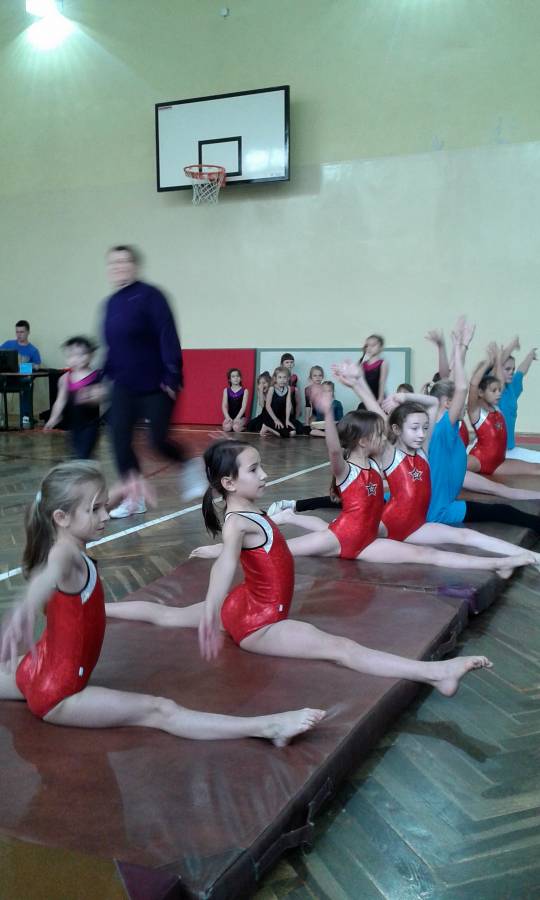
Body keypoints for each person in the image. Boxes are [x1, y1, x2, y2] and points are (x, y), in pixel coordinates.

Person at [107, 440, 494, 698]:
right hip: (260, 623)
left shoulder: (243, 513)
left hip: (241, 605)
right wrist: (210, 609)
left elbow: (235, 554)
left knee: (166, 615)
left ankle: (102, 607)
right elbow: (225, 565)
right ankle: (436, 674)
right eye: (254, 470)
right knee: (341, 649)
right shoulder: (237, 521)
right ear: (229, 482)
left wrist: (215, 598)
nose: (264, 475)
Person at [0, 461, 324, 747]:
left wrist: (123, 490)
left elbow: (77, 521)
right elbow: (47, 575)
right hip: (61, 693)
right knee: (160, 711)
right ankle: (268, 727)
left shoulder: (64, 533)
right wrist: (23, 609)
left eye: (104, 505)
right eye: (95, 509)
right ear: (61, 517)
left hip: (35, 668)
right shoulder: (64, 554)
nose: (106, 515)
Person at [202, 389, 532, 576]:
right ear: (362, 441)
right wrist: (327, 413)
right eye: (377, 435)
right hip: (340, 540)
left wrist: (383, 398)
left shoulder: (377, 463)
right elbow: (334, 449)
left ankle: (499, 563)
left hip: (370, 540)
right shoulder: (345, 470)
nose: (384, 438)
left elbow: (389, 427)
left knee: (425, 555)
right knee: (279, 549)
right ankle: (214, 549)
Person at [341, 367, 540, 564]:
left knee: (468, 534)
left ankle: (533, 558)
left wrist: (404, 397)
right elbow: (379, 416)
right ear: (397, 430)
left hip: (424, 518)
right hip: (400, 521)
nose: (421, 434)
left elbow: (433, 404)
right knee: (349, 530)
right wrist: (358, 385)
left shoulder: (424, 448)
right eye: (415, 428)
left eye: (424, 428)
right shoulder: (393, 453)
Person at [102, 245, 205, 518]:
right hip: (124, 385)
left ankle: (189, 464)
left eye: (124, 261)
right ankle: (134, 498)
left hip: (156, 384)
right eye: (113, 262)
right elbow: (111, 347)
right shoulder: (110, 304)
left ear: (134, 266)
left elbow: (167, 334)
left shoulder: (151, 296)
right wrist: (101, 379)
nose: (118, 266)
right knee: (119, 440)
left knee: (156, 442)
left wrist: (172, 375)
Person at [467, 344, 540, 476]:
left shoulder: (497, 407)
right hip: (479, 460)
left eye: (499, 390)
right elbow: (473, 385)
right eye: (494, 390)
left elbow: (512, 375)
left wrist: (528, 357)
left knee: (536, 469)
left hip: (499, 462)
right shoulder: (476, 412)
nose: (498, 393)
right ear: (481, 392)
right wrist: (492, 361)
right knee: (453, 469)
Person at [44, 337, 103, 459]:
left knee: (84, 453)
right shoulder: (65, 378)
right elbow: (60, 400)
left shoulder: (96, 376)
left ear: (90, 355)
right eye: (71, 356)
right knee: (76, 453)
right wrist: (54, 417)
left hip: (90, 425)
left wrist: (90, 396)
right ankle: (85, 466)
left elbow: (101, 396)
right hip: (73, 426)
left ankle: (85, 465)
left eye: (81, 355)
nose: (76, 359)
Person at [499, 336, 540, 462]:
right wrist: (512, 345)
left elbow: (521, 371)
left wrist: (530, 356)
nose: (511, 372)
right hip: (495, 450)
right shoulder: (494, 389)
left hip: (510, 449)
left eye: (512, 369)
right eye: (507, 369)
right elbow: (497, 365)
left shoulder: (512, 387)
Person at [1, 319, 41, 427]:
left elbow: (37, 366)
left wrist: (20, 368)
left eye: (22, 332)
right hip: (5, 379)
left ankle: (25, 418)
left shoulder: (33, 350)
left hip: (21, 380)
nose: (19, 335)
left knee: (27, 383)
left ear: (28, 332)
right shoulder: (8, 344)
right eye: (17, 332)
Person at [261, 366, 306, 438]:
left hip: (282, 415)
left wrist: (287, 420)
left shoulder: (288, 388)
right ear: (275, 378)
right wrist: (275, 420)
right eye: (280, 377)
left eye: (285, 377)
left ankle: (276, 428)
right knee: (285, 434)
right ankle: (266, 427)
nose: (282, 380)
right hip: (271, 416)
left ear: (288, 378)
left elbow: (288, 405)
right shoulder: (272, 389)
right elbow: (267, 406)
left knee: (295, 432)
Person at [357, 334, 387, 407]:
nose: (370, 348)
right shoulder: (363, 364)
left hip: (378, 398)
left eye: (373, 345)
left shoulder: (383, 363)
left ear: (380, 348)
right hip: (367, 398)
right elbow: (360, 382)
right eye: (367, 346)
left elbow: (382, 382)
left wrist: (380, 399)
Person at [221, 368, 249, 433]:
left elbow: (243, 407)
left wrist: (237, 418)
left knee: (236, 428)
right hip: (230, 416)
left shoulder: (245, 391)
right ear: (229, 379)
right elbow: (224, 406)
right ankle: (231, 424)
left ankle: (243, 427)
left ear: (240, 378)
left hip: (241, 417)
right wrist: (227, 417)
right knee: (227, 428)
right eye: (233, 376)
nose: (236, 378)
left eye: (237, 376)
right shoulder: (226, 390)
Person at [280, 353, 302, 418]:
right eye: (287, 362)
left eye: (291, 362)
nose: (289, 364)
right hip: (282, 400)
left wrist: (299, 408)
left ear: (294, 364)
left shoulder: (294, 377)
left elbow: (297, 392)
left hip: (293, 399)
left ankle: (295, 417)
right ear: (282, 364)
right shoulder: (279, 376)